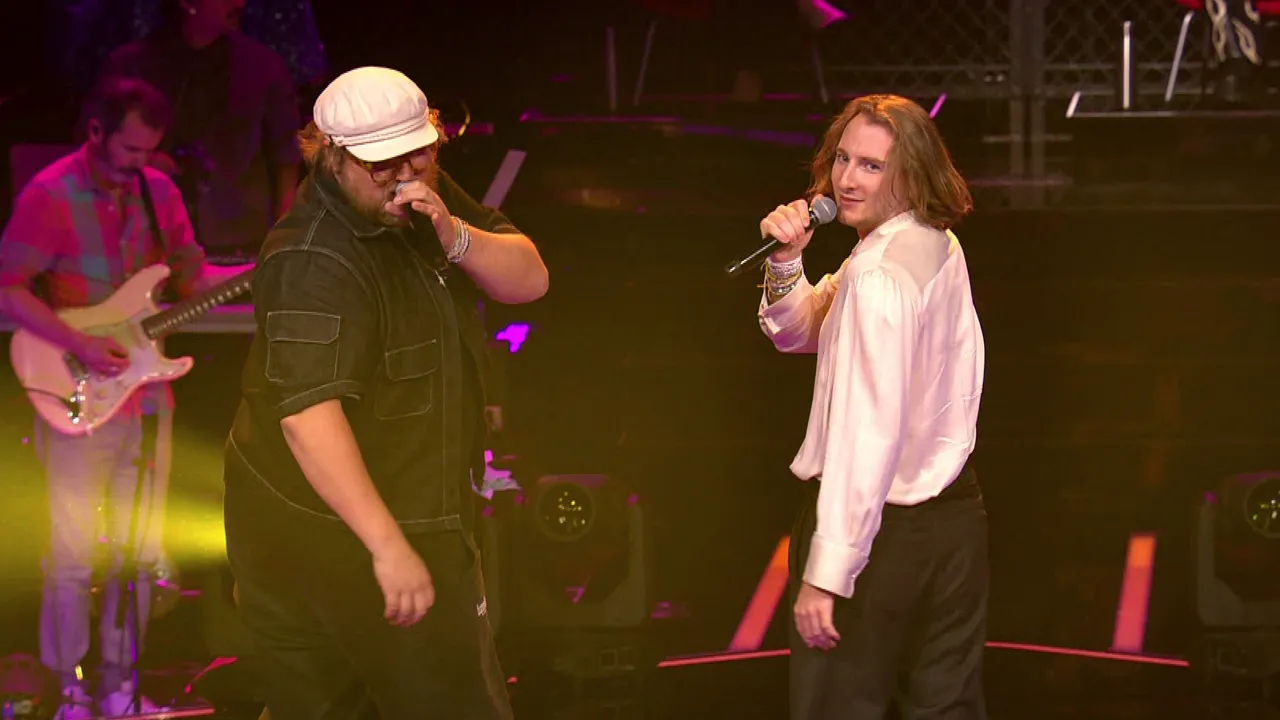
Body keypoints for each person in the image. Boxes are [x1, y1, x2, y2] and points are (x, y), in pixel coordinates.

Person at [222, 66, 548, 719]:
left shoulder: (421, 193)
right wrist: (389, 547)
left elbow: (529, 281)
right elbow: (308, 419)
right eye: (382, 165)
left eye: (418, 154)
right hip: (335, 530)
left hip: (412, 510)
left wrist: (455, 235)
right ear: (332, 158)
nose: (404, 176)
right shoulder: (311, 257)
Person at [756, 94, 987, 719]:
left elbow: (867, 434)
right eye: (843, 159)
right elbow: (804, 330)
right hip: (951, 527)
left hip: (878, 533)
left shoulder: (878, 275)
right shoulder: (932, 243)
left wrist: (827, 572)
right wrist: (786, 260)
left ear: (910, 175)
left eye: (872, 166)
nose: (847, 179)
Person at [0, 76, 207, 718]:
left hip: (146, 399)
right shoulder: (50, 193)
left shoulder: (158, 191)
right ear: (96, 131)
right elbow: (9, 288)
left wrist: (237, 275)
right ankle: (67, 689)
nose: (138, 164)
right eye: (129, 150)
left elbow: (189, 270)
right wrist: (81, 345)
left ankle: (120, 685)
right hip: (75, 390)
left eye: (148, 151)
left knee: (138, 551)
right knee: (70, 554)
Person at [102, 0, 301, 257]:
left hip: (241, 243)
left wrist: (284, 237)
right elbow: (96, 148)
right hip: (152, 245)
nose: (240, 3)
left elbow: (286, 156)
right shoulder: (131, 65)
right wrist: (141, 160)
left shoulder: (263, 66)